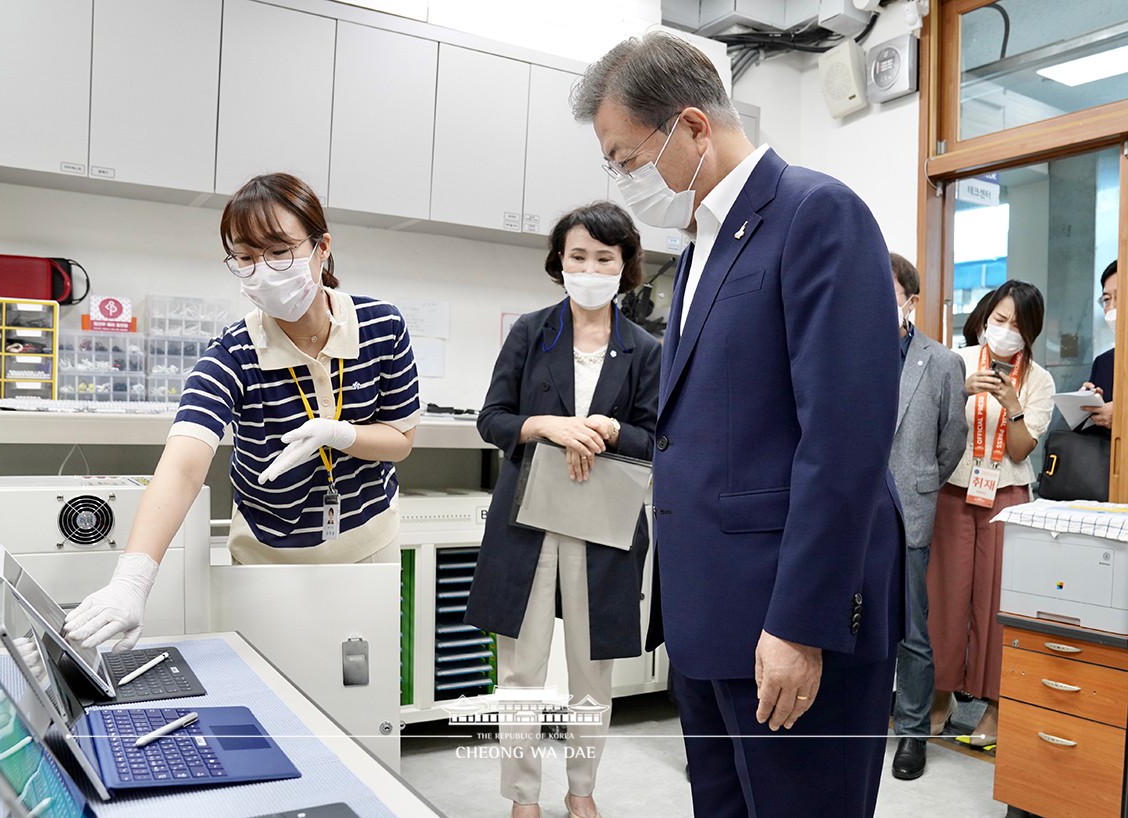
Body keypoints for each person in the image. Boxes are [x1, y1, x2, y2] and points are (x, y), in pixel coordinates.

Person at [572, 32, 904, 818]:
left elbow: (844, 442)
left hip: (787, 621)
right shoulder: (698, 249)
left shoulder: (817, 213)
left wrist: (798, 625)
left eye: (626, 159)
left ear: (691, 128)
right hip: (711, 617)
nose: (623, 182)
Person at [63, 172, 420, 651]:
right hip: (268, 555)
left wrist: (342, 435)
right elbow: (183, 466)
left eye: (278, 251)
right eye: (246, 258)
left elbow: (400, 440)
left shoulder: (382, 326)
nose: (263, 271)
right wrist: (131, 582)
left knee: (362, 691)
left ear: (322, 247)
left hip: (367, 543)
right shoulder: (232, 352)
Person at [464, 202, 661, 818]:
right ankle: (523, 797)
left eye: (604, 257)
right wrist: (546, 424)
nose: (590, 267)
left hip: (602, 525)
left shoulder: (646, 348)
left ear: (625, 264)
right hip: (529, 516)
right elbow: (491, 420)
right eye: (578, 256)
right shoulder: (531, 331)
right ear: (559, 261)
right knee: (521, 674)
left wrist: (609, 429)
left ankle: (582, 792)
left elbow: (658, 438)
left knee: (591, 674)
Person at [926, 279, 1054, 752]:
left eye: (1017, 326)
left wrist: (1014, 406)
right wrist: (960, 391)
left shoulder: (1039, 380)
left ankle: (997, 708)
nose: (1004, 332)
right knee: (944, 597)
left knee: (999, 605)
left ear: (1031, 333)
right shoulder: (954, 361)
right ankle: (940, 700)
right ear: (982, 319)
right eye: (999, 321)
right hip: (952, 494)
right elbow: (928, 427)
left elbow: (1022, 450)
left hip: (1007, 498)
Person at [886, 253, 968, 781]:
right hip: (851, 510)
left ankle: (913, 732)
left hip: (910, 507)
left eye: (885, 290)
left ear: (910, 300)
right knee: (854, 625)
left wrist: (920, 483)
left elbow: (951, 441)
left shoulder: (940, 362)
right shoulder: (844, 350)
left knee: (912, 631)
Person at [1081, 259, 1117, 431]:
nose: (1112, 308)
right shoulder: (1104, 363)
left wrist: (1122, 416)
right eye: (1107, 300)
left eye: (1121, 297)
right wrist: (1084, 404)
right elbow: (1087, 433)